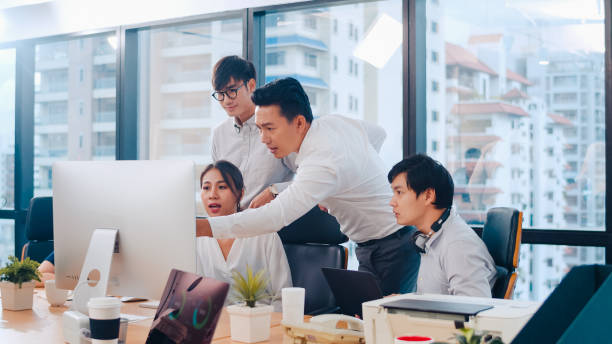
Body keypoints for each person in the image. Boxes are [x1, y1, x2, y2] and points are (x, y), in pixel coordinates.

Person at [198, 77, 420, 295]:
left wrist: (204, 228)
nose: (263, 139)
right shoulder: (331, 124)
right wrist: (345, 184)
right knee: (366, 318)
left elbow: (274, 217)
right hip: (372, 243)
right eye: (259, 129)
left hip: (392, 246)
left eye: (269, 128)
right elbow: (377, 134)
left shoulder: (322, 160)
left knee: (381, 324)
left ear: (299, 123)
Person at [210, 55, 346, 244]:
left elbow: (311, 177)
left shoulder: (280, 131)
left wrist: (274, 191)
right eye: (220, 94)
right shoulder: (219, 134)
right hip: (231, 229)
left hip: (271, 231)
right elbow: (216, 184)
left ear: (250, 85)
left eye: (232, 91)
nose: (226, 100)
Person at [388, 154, 497, 297]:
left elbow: (472, 314)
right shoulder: (432, 236)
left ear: (428, 196)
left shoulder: (458, 245)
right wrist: (402, 303)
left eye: (399, 192)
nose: (392, 202)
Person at [197, 160, 292, 311]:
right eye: (206, 188)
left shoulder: (264, 234)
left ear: (240, 194)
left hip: (258, 325)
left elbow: (284, 298)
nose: (212, 195)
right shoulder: (196, 239)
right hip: (213, 327)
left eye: (222, 187)